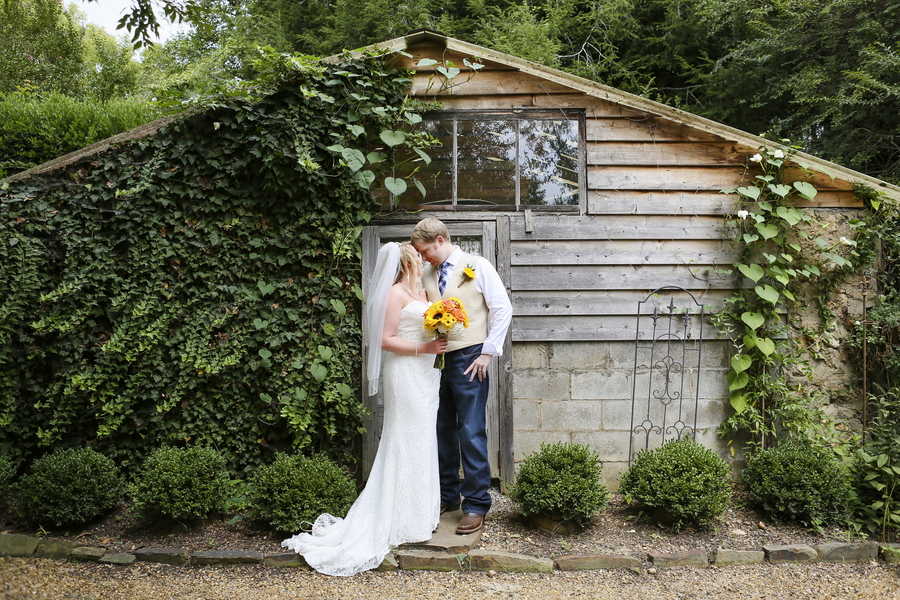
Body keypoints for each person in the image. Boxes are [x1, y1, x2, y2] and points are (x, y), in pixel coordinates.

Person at [282, 242, 448, 576]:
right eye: (416, 255)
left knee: (423, 439)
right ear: (405, 262)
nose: (421, 257)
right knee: (405, 437)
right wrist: (425, 346)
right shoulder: (396, 294)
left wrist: (444, 331)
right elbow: (385, 339)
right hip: (404, 372)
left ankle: (421, 515)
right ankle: (399, 519)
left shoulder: (424, 293)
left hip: (428, 375)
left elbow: (433, 323)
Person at [411, 218, 513, 535]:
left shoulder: (477, 265)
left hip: (470, 356)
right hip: (435, 360)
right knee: (441, 429)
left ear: (440, 241)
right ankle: (447, 495)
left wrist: (487, 352)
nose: (423, 257)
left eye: (425, 251)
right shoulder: (426, 273)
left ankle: (476, 504)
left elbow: (502, 308)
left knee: (470, 430)